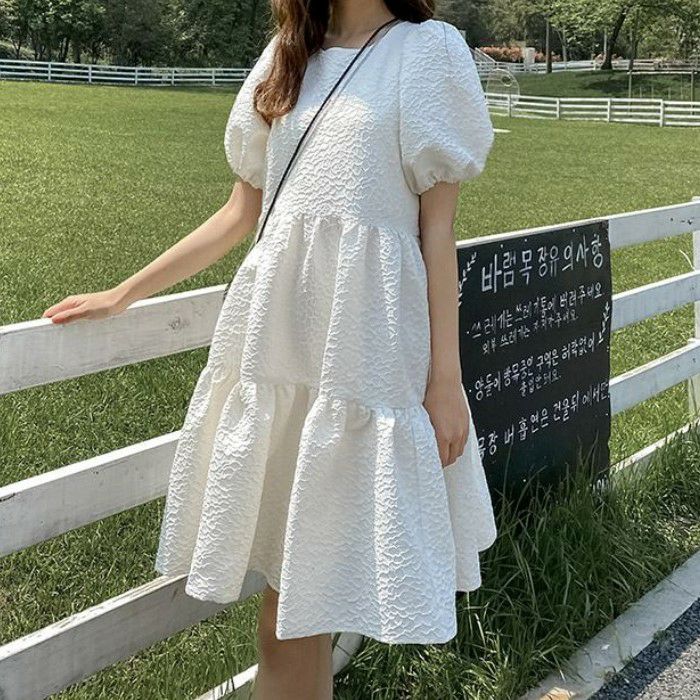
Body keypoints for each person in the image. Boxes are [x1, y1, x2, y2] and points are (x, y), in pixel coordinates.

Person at [42, 0, 498, 697]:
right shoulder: (289, 51)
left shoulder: (426, 51)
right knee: (288, 609)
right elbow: (240, 213)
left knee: (300, 607)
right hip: (276, 341)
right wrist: (123, 293)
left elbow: (439, 233)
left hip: (363, 347)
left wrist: (445, 382)